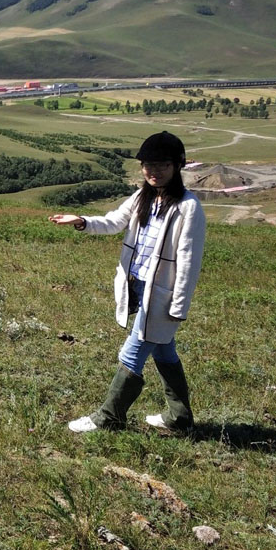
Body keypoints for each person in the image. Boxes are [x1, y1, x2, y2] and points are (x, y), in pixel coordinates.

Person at [49, 131, 205, 433]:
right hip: (138, 286)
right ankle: (180, 417)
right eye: (147, 165)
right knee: (163, 349)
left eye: (161, 165)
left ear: (177, 166)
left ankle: (109, 416)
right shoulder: (142, 197)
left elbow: (188, 262)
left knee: (132, 352)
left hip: (161, 295)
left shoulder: (188, 207)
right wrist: (81, 221)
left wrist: (179, 305)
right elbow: (113, 221)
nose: (153, 172)